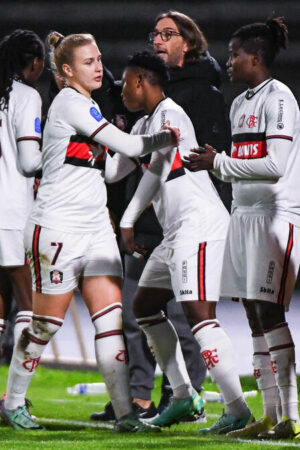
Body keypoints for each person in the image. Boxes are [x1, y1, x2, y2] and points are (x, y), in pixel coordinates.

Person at [0, 31, 179, 432]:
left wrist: (143, 151)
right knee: (45, 325)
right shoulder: (67, 103)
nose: (99, 66)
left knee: (109, 322)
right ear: (65, 71)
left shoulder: (89, 106)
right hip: (58, 227)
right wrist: (161, 137)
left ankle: (126, 415)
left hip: (96, 227)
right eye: (88, 61)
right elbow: (129, 147)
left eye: (99, 59)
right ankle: (12, 403)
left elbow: (112, 167)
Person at [107, 50, 253, 433]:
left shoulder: (171, 114)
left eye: (125, 83)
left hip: (199, 226)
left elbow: (157, 169)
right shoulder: (142, 127)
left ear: (141, 80)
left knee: (199, 317)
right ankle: (184, 395)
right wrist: (101, 134)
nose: (122, 89)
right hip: (176, 233)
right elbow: (112, 171)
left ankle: (237, 409)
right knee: (146, 305)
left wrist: (127, 219)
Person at [183, 17, 300, 440]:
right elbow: (239, 170)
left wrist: (218, 163)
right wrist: (220, 164)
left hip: (275, 215)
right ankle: (269, 416)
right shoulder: (239, 104)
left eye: (234, 54)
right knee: (252, 313)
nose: (228, 61)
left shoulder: (281, 98)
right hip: (243, 215)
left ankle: (293, 416)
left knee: (270, 311)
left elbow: (274, 166)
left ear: (255, 56)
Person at [150, 10, 232, 210]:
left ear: (187, 44)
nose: (157, 42)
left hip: (187, 215)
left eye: (167, 35)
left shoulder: (204, 94)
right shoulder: (152, 89)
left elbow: (209, 163)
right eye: (155, 35)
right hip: (150, 212)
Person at [0, 29, 45, 361]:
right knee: (27, 301)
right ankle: (15, 396)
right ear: (35, 62)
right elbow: (30, 163)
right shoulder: (27, 96)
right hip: (12, 207)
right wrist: (59, 153)